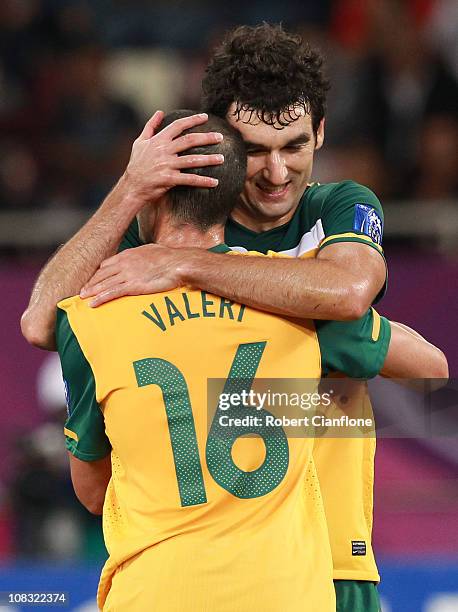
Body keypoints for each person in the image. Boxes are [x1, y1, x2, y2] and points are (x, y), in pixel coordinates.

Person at [21, 25, 448, 612]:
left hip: (329, 555)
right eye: (255, 150)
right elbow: (40, 320)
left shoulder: (334, 208)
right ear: (220, 139)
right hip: (217, 557)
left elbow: (350, 292)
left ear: (321, 131)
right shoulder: (160, 237)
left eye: (295, 146)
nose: (277, 174)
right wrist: (130, 190)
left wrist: (189, 267)